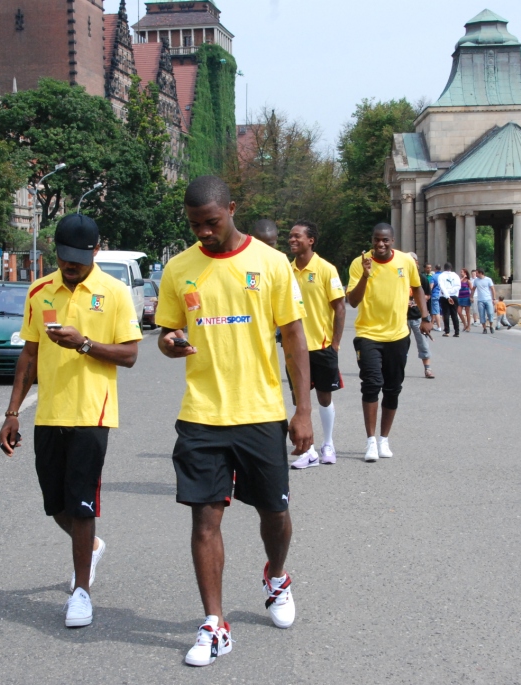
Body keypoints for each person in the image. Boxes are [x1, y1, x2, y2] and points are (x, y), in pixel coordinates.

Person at [156, 176, 313, 666]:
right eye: (194, 225)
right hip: (201, 414)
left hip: (260, 412)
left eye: (211, 222)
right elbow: (167, 331)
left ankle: (276, 575)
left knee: (275, 514)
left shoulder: (270, 264)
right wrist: (169, 342)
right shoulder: (179, 268)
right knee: (204, 519)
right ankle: (215, 623)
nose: (203, 232)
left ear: (231, 209)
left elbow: (294, 337)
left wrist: (303, 410)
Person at [0, 214, 141, 629]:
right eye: (63, 256)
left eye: (78, 257)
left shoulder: (113, 292)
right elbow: (29, 354)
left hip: (92, 414)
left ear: (95, 251)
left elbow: (130, 355)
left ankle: (81, 592)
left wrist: (85, 344)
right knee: (55, 505)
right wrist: (12, 413)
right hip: (49, 414)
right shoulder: (39, 291)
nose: (70, 264)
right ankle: (90, 546)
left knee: (81, 503)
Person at [346, 224, 432, 462]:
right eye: (376, 240)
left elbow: (417, 288)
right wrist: (365, 275)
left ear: (392, 240)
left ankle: (384, 439)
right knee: (371, 384)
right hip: (368, 334)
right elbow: (353, 301)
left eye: (385, 240)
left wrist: (426, 317)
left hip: (398, 335)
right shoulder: (359, 263)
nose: (380, 244)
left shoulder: (405, 261)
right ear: (372, 240)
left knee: (393, 389)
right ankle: (370, 441)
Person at [288, 220, 346, 468]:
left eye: (297, 236)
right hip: (295, 349)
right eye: (290, 236)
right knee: (300, 401)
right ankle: (309, 451)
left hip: (322, 346)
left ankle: (328, 444)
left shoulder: (326, 269)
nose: (292, 240)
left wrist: (335, 343)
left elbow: (340, 307)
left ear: (310, 240)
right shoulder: (286, 270)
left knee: (324, 397)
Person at [406, 252, 434, 379]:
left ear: (416, 262)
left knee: (423, 343)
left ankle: (428, 368)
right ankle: (398, 369)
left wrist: (416, 302)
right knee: (400, 345)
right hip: (402, 317)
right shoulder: (400, 277)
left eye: (412, 261)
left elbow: (427, 295)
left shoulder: (421, 278)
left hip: (417, 316)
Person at [436, 263, 461, 337]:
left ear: (444, 268)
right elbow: (458, 286)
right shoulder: (456, 275)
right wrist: (451, 292)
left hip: (444, 296)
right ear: (451, 268)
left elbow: (442, 287)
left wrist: (447, 295)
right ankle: (457, 332)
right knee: (454, 314)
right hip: (454, 296)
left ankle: (447, 331)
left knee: (446, 313)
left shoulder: (441, 276)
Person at [471, 268, 497, 334]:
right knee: (482, 315)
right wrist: (471, 297)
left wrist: (494, 299)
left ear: (481, 273)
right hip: (480, 300)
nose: (476, 274)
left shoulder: (488, 279)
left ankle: (491, 326)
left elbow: (492, 289)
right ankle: (484, 328)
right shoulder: (476, 280)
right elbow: (473, 289)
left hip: (488, 299)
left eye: (477, 273)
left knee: (490, 313)